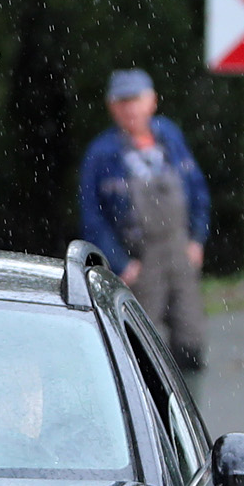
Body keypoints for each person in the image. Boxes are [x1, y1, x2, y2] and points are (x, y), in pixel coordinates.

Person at [77, 69, 209, 372]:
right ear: (112, 107)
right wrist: (120, 264)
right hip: (139, 259)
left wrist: (197, 239)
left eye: (135, 100)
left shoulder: (170, 138)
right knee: (140, 345)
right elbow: (92, 217)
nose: (130, 109)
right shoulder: (101, 154)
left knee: (190, 336)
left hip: (180, 252)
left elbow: (198, 189)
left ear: (152, 102)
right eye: (122, 102)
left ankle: (188, 410)